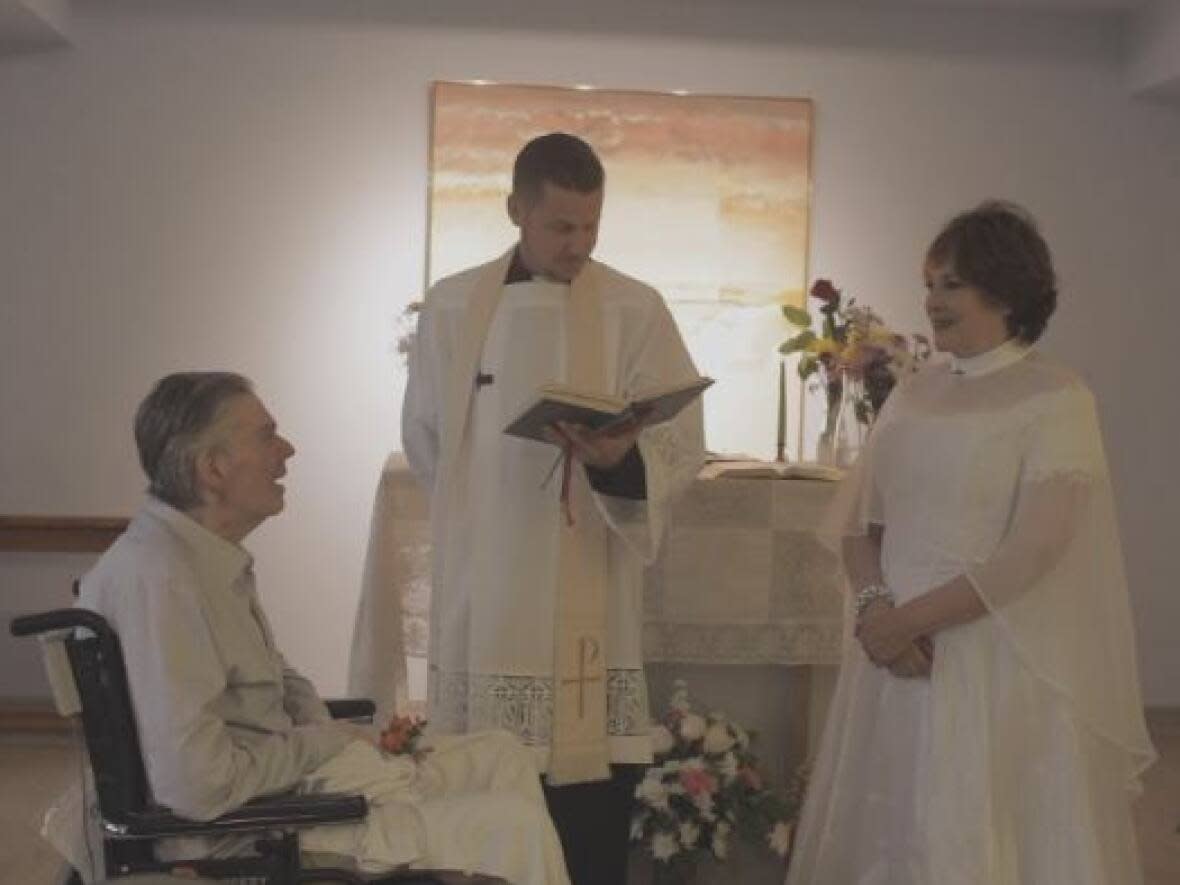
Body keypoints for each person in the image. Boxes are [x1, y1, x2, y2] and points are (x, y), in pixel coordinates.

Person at [75, 371, 570, 885]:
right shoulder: (161, 582)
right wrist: (326, 743)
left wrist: (339, 740)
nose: (287, 450)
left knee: (502, 755)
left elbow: (279, 683)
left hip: (285, 791)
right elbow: (196, 786)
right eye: (266, 436)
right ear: (213, 468)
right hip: (245, 835)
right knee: (516, 827)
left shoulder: (198, 559)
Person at [786, 202, 1157, 884]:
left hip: (990, 651)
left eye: (950, 284)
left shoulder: (1057, 396)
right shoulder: (914, 392)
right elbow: (862, 523)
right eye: (929, 283)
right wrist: (874, 611)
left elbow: (1036, 549)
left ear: (1006, 290)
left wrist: (907, 623)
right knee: (888, 823)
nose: (931, 300)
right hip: (892, 653)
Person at [402, 132, 706, 884]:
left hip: (589, 589)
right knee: (484, 809)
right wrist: (483, 512)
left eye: (591, 227)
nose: (578, 244)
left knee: (587, 809)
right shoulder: (451, 306)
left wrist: (619, 460)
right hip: (489, 583)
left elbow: (680, 444)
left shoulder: (634, 308)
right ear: (516, 210)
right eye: (560, 226)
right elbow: (425, 438)